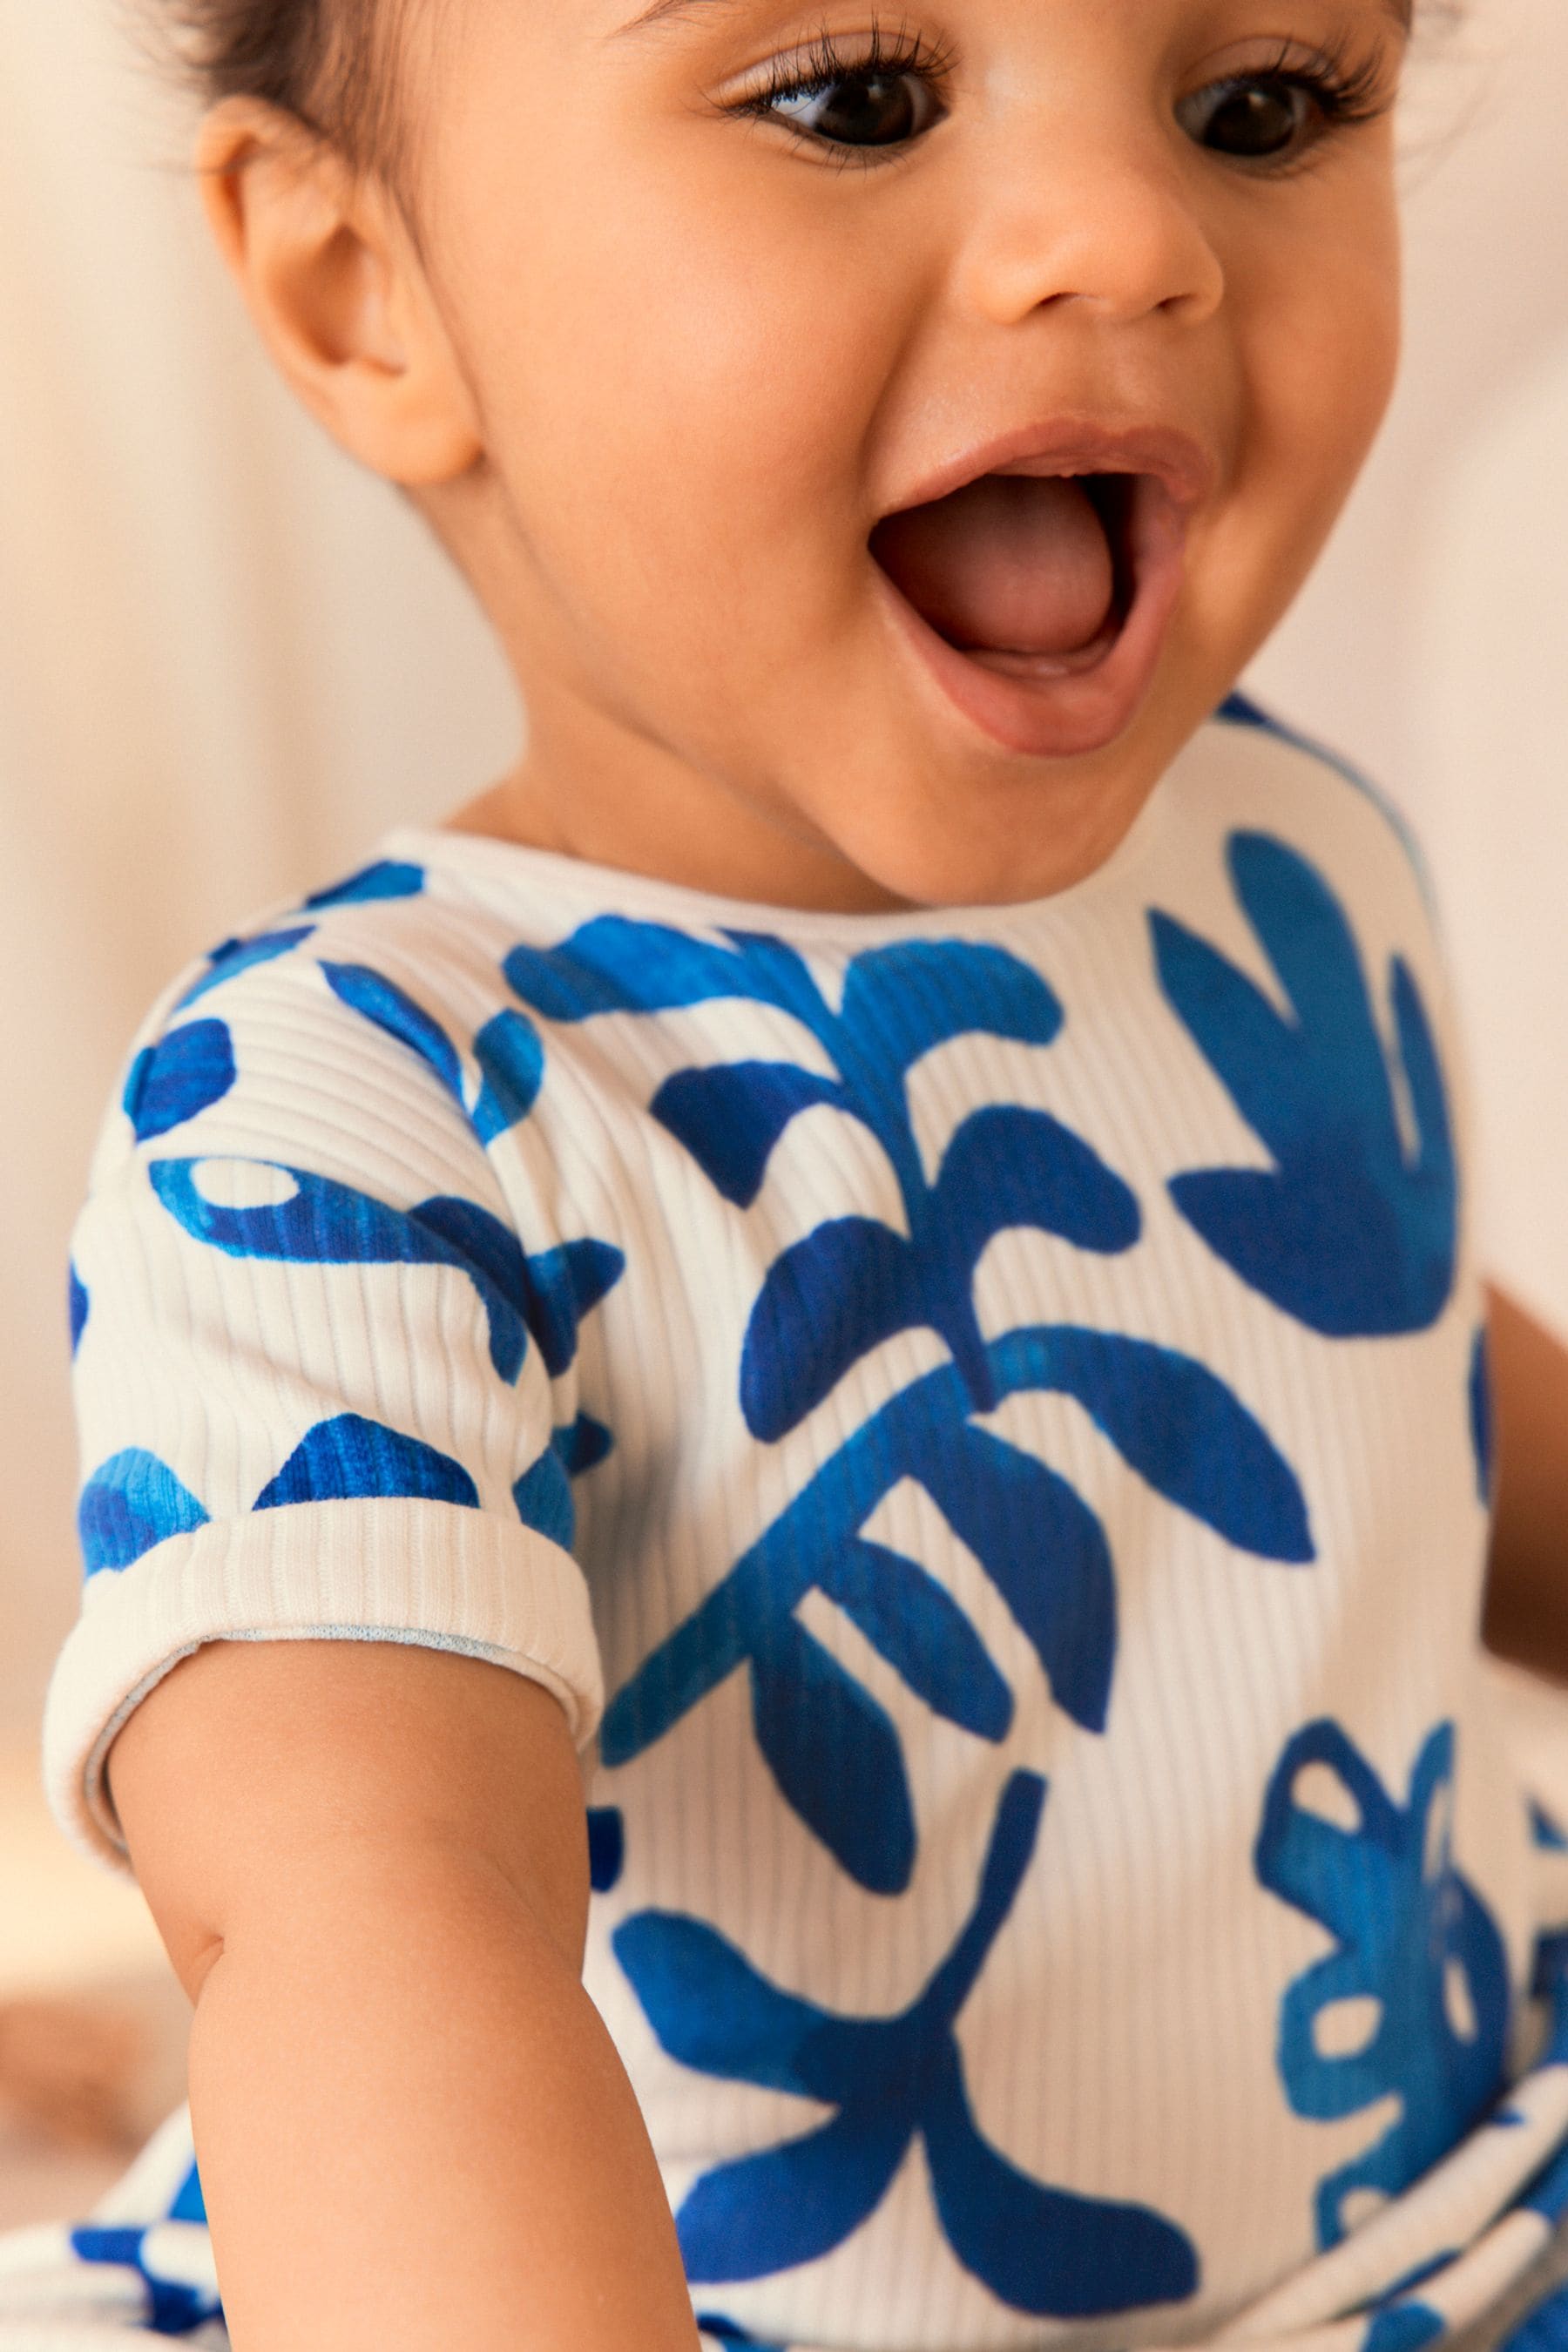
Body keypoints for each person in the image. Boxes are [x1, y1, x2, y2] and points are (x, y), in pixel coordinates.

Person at [9, 0, 1568, 2343]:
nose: (1128, 240)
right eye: (856, 100)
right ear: (369, 294)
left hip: (1444, 2183)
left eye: (1264, 104)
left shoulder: (1282, 845)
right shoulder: (348, 1117)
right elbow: (369, 1925)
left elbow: (1392, 1357)